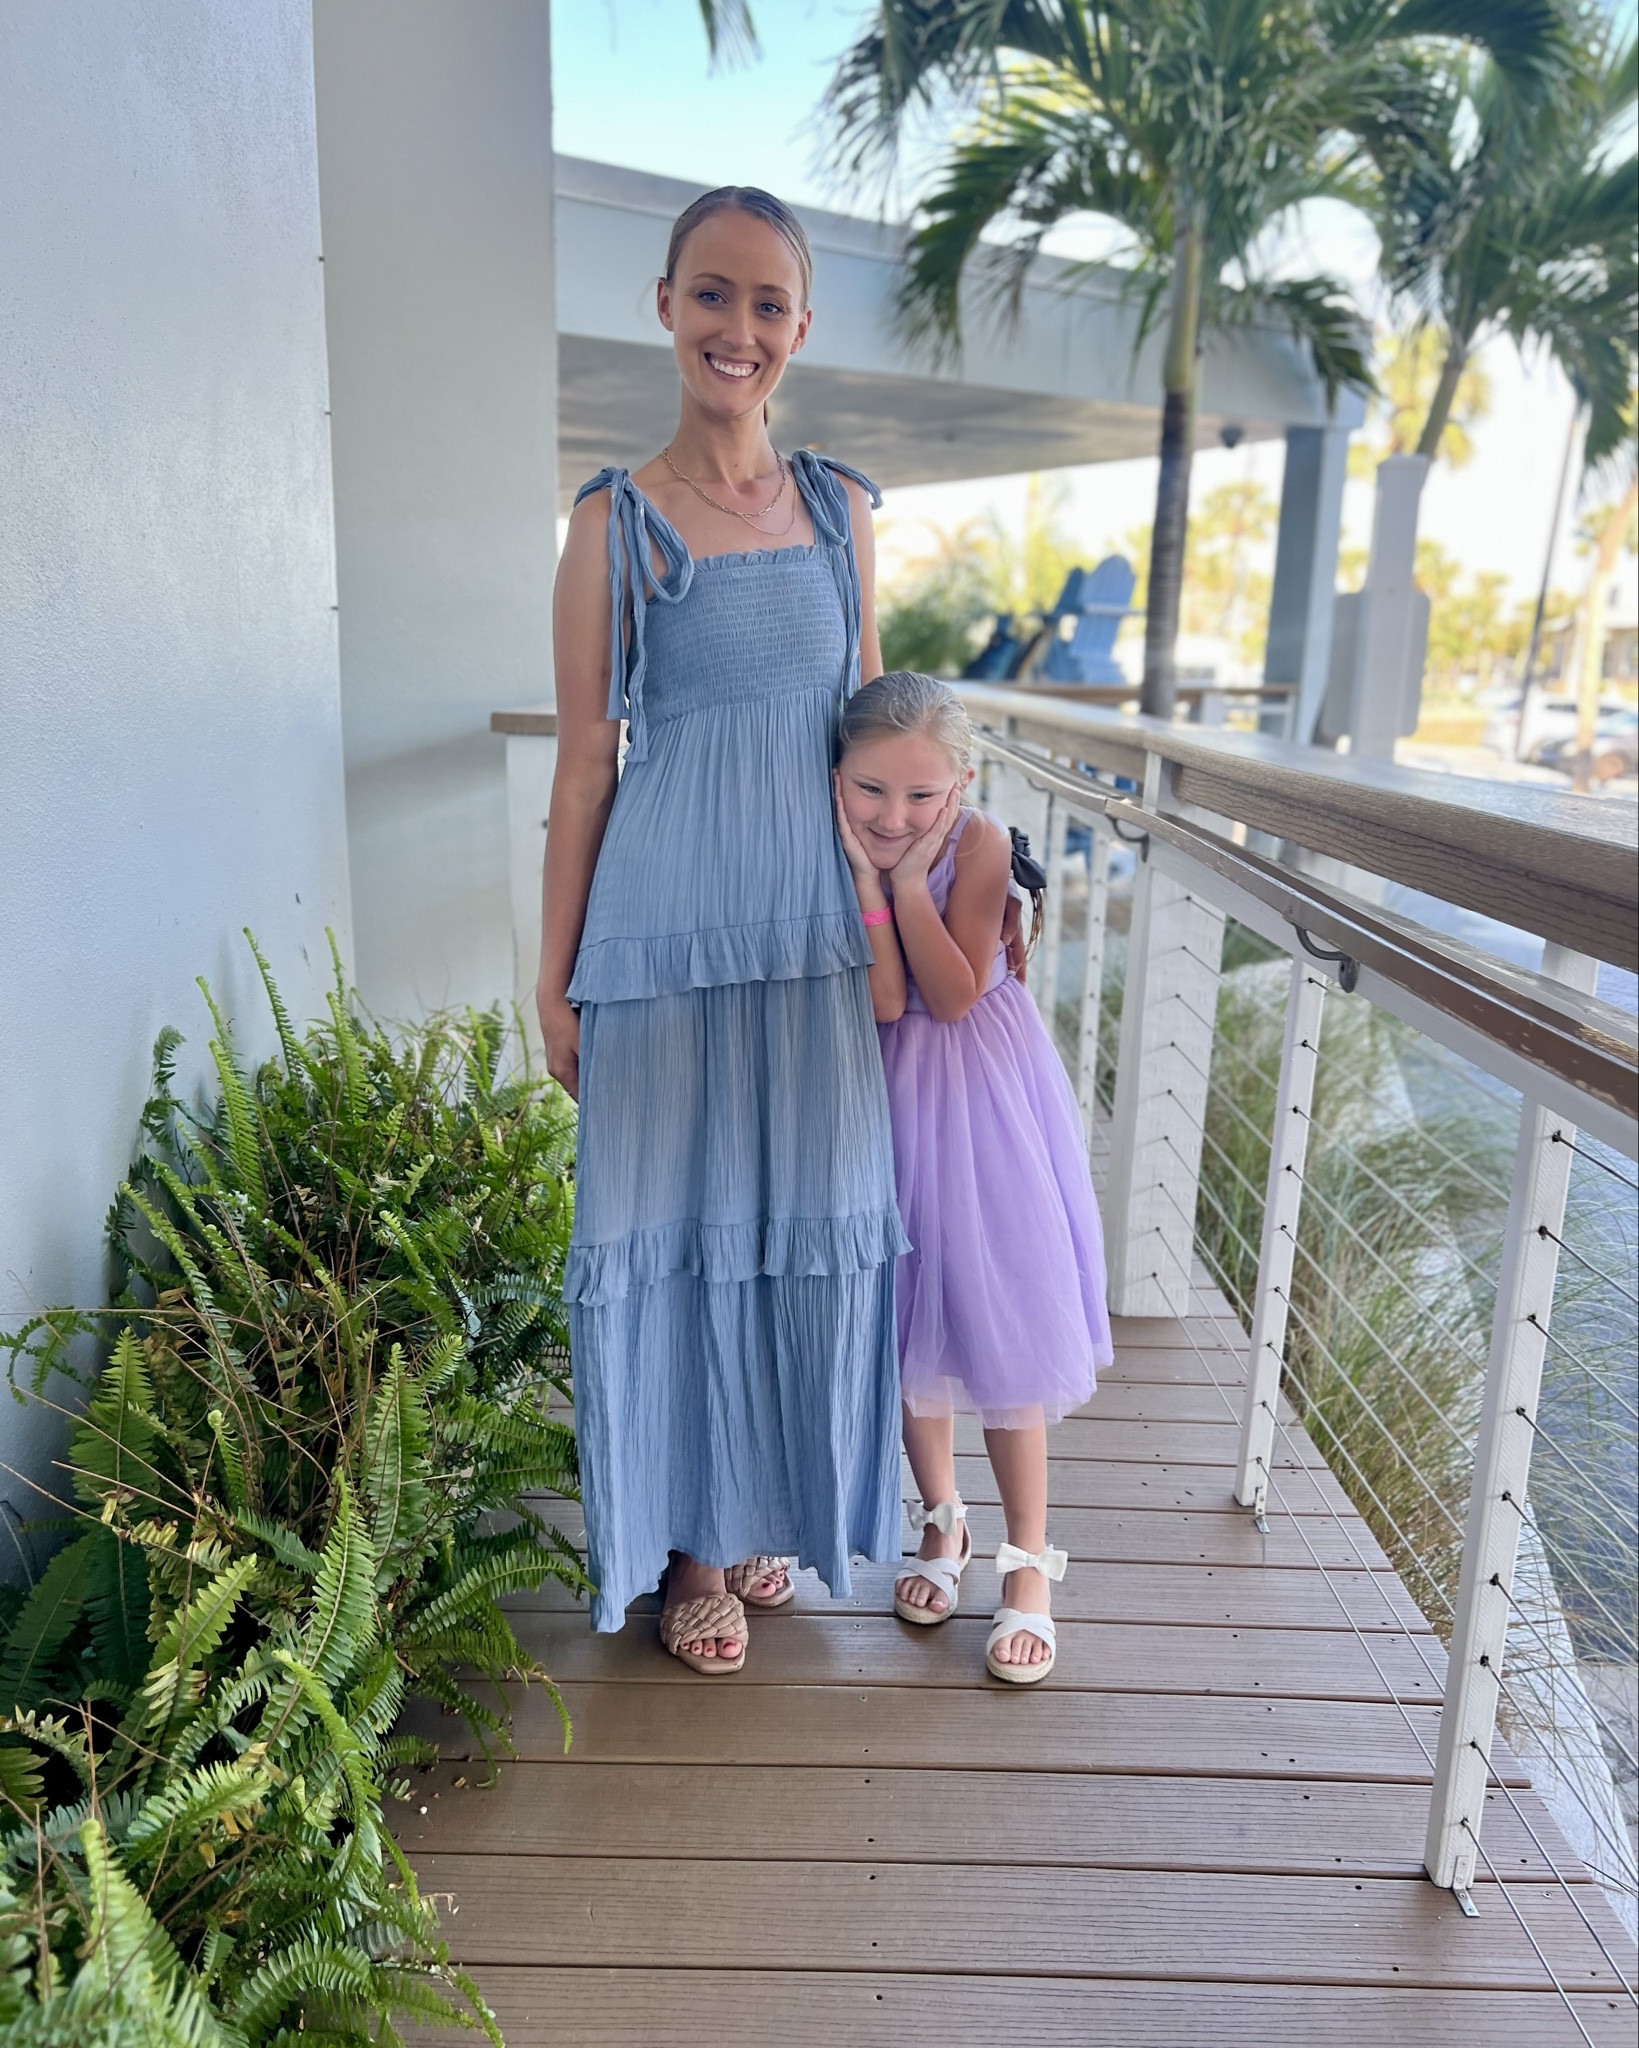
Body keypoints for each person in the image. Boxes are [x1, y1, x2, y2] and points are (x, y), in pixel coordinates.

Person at [537, 186, 909, 1674]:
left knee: (802, 1216)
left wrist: (953, 878)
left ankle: (766, 1504)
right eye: (710, 293)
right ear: (664, 304)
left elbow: (880, 736)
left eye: (765, 303)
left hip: (815, 927)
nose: (735, 327)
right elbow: (584, 767)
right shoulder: (608, 525)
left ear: (799, 327)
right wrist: (553, 979)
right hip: (663, 933)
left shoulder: (840, 509)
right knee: (679, 1230)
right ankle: (689, 1545)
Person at [833, 672, 1113, 1684]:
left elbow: (950, 995)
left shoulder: (980, 843)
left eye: (921, 794)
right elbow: (884, 999)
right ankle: (941, 1515)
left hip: (980, 1087)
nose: (892, 816)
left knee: (999, 1305)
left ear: (962, 783)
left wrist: (906, 882)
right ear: (838, 774)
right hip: (887, 1087)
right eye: (870, 789)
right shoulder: (841, 843)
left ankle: (1028, 1555)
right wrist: (867, 884)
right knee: (910, 1300)